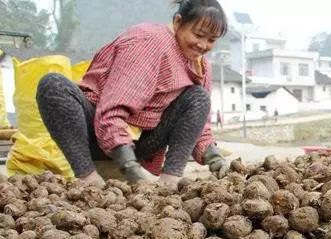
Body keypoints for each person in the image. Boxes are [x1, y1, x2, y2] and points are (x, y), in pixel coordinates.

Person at [36, 0, 229, 187]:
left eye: (211, 40)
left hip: (143, 143)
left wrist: (213, 156)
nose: (203, 45)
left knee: (198, 97)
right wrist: (128, 164)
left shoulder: (201, 66)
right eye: (198, 35)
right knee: (53, 85)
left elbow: (198, 124)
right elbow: (113, 109)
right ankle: (88, 177)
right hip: (96, 131)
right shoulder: (148, 41)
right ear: (178, 22)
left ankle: (169, 182)